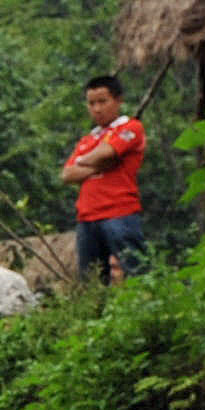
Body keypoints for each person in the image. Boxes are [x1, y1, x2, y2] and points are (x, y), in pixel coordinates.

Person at [60, 78, 149, 289]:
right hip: (87, 216)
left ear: (118, 101)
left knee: (136, 273)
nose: (97, 109)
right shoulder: (88, 139)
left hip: (120, 213)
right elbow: (67, 174)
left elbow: (108, 151)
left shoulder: (131, 127)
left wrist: (86, 162)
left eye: (102, 101)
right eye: (91, 103)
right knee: (91, 284)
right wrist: (100, 165)